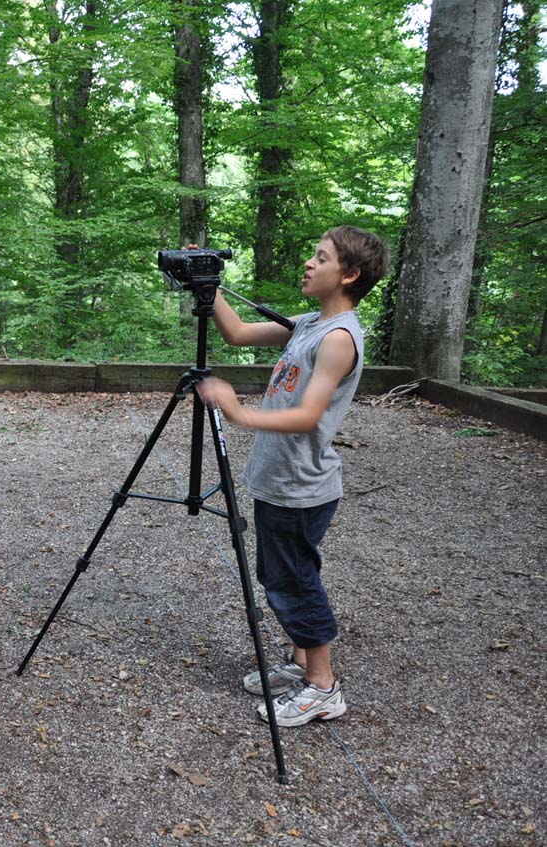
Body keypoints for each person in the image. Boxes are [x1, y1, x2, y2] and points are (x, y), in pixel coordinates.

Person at [197, 225, 390, 727]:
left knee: (294, 583)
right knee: (283, 574)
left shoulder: (338, 338)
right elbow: (237, 333)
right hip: (282, 479)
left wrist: (238, 412)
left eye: (321, 258)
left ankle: (323, 687)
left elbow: (308, 415)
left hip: (300, 485)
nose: (309, 263)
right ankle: (303, 664)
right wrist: (208, 283)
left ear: (349, 274)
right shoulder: (308, 323)